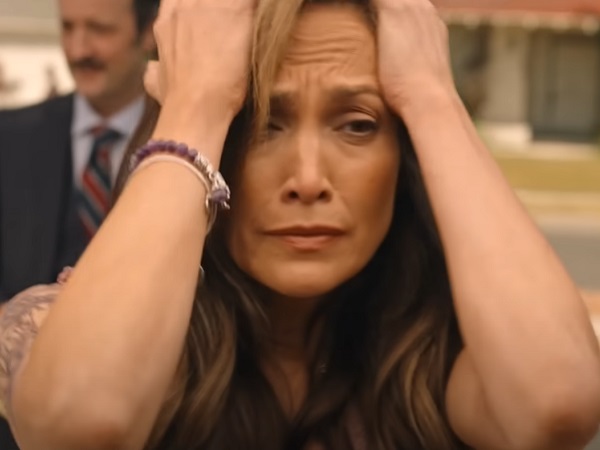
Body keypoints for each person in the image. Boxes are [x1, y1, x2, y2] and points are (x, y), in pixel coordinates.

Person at [1, 0, 600, 449]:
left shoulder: (445, 358)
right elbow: (78, 421)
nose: (308, 179)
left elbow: (557, 403)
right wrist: (197, 102)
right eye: (263, 123)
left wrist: (432, 96)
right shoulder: (67, 327)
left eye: (358, 125)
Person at [0, 0, 159, 303]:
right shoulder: (8, 139)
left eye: (100, 29)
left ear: (149, 31)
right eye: (67, 27)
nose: (78, 51)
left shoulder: (184, 140)